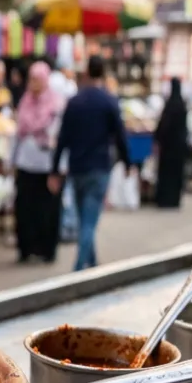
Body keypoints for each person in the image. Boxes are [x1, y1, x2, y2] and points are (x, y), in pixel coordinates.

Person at [50, 55, 130, 271]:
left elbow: (62, 138)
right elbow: (120, 135)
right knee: (88, 221)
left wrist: (55, 169)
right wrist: (127, 162)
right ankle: (79, 270)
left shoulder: (75, 102)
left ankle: (92, 264)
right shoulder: (108, 101)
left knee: (85, 217)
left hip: (77, 167)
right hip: (99, 167)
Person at [11, 61, 63, 264]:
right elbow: (18, 134)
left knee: (47, 209)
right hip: (26, 164)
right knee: (25, 208)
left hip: (47, 164)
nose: (33, 83)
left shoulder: (55, 104)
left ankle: (46, 249)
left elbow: (58, 135)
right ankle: (26, 248)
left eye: (36, 79)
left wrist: (59, 168)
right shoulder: (25, 102)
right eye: (31, 79)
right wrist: (11, 160)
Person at [153, 78, 189, 209]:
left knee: (166, 175)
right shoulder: (182, 106)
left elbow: (163, 126)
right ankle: (174, 199)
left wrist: (157, 138)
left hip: (168, 148)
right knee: (176, 174)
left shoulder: (169, 106)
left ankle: (165, 199)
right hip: (178, 147)